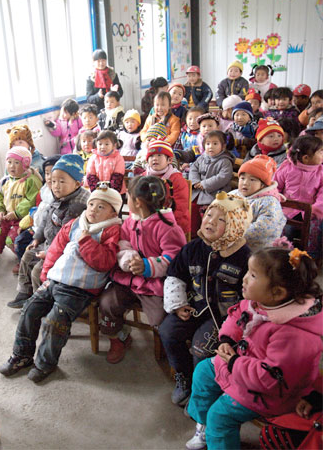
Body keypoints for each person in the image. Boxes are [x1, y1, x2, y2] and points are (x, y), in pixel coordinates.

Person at [185, 247, 322, 450]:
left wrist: (233, 362)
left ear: (277, 292)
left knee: (220, 416)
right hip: (244, 364)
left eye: (253, 275)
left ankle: (216, 431)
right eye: (248, 271)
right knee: (204, 371)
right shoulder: (262, 301)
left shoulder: (294, 335)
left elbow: (271, 380)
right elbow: (237, 314)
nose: (244, 278)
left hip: (271, 394)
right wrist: (226, 339)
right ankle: (204, 428)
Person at [0, 186, 122, 383]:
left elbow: (106, 262)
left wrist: (87, 242)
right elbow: (55, 250)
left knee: (55, 322)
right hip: (55, 279)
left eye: (101, 207)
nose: (93, 209)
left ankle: (45, 363)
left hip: (79, 289)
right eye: (91, 204)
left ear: (113, 213)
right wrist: (46, 273)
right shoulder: (74, 224)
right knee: (29, 309)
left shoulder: (112, 230)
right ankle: (21, 355)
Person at [160, 192, 251, 406]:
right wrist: (178, 304)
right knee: (167, 331)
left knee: (202, 348)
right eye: (209, 215)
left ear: (234, 227)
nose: (210, 221)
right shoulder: (192, 248)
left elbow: (248, 297)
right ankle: (185, 378)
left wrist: (236, 327)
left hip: (222, 318)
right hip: (194, 308)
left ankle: (202, 393)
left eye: (221, 220)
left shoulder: (244, 256)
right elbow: (175, 275)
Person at [98, 176, 186, 364]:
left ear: (137, 202)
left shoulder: (168, 227)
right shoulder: (130, 221)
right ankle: (119, 338)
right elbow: (122, 243)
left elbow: (174, 259)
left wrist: (147, 266)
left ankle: (166, 348)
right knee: (106, 303)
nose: (126, 200)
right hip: (128, 279)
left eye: (127, 196)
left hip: (154, 285)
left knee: (160, 318)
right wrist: (128, 259)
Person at [7, 154, 89, 308]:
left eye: (62, 181)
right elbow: (45, 220)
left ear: (77, 184)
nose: (56, 185)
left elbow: (65, 238)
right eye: (54, 181)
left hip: (63, 250)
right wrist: (37, 239)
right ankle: (25, 292)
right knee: (27, 255)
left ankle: (41, 303)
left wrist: (49, 252)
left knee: (37, 271)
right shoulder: (57, 196)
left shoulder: (75, 207)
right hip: (49, 244)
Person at [0, 146, 43, 275]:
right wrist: (0, 210)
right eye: (9, 162)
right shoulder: (5, 181)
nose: (12, 166)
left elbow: (31, 200)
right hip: (7, 218)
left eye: (17, 163)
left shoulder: (31, 180)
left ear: (25, 164)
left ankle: (23, 259)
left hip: (23, 219)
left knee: (12, 239)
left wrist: (16, 213)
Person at [274, 135, 323, 263]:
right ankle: (282, 256)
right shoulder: (287, 167)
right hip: (288, 209)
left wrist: (315, 209)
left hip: (312, 212)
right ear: (306, 158)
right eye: (321, 152)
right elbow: (275, 186)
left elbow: (322, 195)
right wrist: (277, 198)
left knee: (315, 230)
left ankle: (310, 259)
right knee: (285, 228)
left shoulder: (321, 172)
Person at [229, 155, 286, 251]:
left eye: (252, 179)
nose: (245, 183)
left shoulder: (269, 202)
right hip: (232, 243)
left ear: (263, 185)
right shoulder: (233, 194)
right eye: (242, 178)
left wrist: (232, 234)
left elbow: (263, 229)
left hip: (258, 251)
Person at [189, 130, 235, 236]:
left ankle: (204, 234)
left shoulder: (225, 161)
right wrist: (196, 181)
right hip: (198, 191)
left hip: (214, 194)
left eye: (215, 144)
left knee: (206, 211)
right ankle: (192, 233)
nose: (211, 147)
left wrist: (205, 184)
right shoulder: (202, 158)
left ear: (223, 146)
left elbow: (223, 177)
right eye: (208, 144)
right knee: (191, 206)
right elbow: (193, 169)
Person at [142, 140, 190, 235]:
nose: (155, 159)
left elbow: (180, 206)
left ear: (169, 160)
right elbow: (136, 201)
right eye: (151, 156)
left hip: (172, 222)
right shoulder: (142, 177)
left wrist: (160, 222)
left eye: (159, 155)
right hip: (147, 221)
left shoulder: (177, 179)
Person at [85, 130, 127, 194]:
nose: (103, 147)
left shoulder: (118, 158)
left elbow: (118, 176)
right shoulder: (93, 158)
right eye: (100, 144)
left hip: (115, 193)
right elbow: (91, 176)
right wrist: (97, 190)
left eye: (107, 144)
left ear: (114, 145)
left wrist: (110, 192)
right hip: (97, 192)